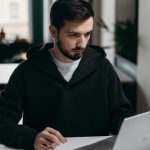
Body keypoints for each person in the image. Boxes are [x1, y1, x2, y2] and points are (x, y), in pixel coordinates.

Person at [0, 0, 135, 150]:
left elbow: (120, 113)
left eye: (87, 34)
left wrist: (133, 129)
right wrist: (32, 138)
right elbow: (3, 121)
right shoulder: (26, 71)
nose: (82, 43)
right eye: (74, 35)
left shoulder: (103, 68)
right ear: (53, 32)